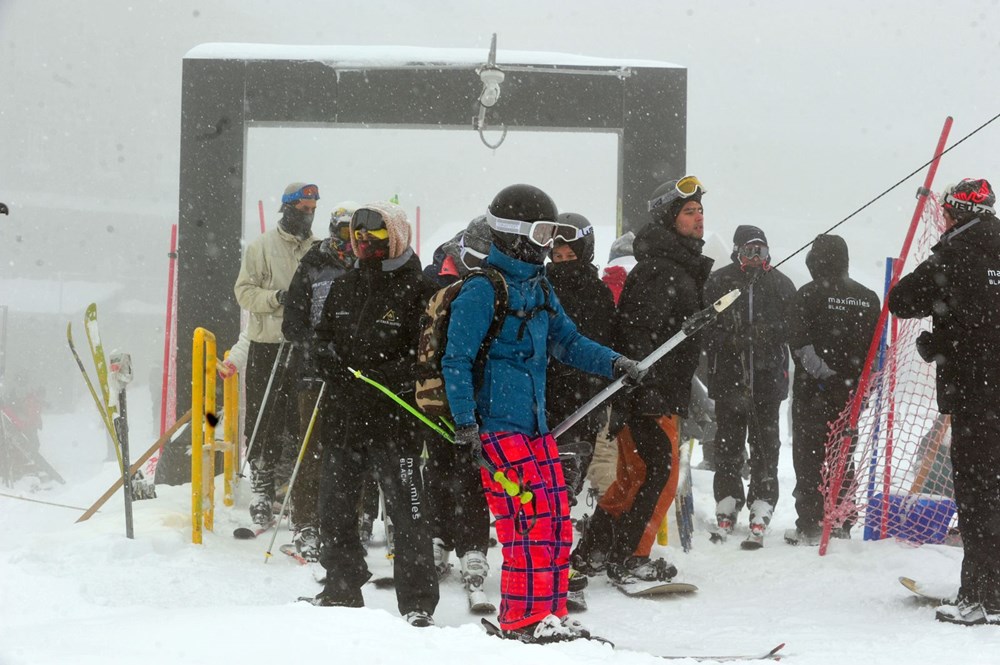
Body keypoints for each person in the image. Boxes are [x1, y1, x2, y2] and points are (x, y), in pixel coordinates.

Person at [442, 184, 642, 643]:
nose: (549, 242)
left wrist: (613, 362)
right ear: (514, 233)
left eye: (553, 232)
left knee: (554, 520)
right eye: (542, 232)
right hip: (496, 428)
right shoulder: (481, 290)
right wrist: (466, 424)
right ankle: (520, 618)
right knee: (525, 522)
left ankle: (549, 614)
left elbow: (568, 342)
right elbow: (456, 359)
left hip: (536, 427)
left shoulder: (540, 287)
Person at [572, 175, 713, 582]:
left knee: (634, 476)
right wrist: (648, 392)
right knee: (659, 476)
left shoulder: (673, 265)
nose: (699, 217)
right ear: (670, 219)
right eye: (689, 211)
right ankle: (631, 556)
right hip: (652, 394)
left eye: (701, 210)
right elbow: (639, 334)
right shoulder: (664, 271)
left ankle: (595, 550)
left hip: (652, 391)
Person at [311, 201, 439, 627]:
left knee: (408, 511)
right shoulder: (346, 286)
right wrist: (324, 354)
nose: (364, 244)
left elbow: (428, 354)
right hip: (344, 417)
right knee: (336, 507)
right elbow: (323, 334)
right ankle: (341, 586)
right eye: (358, 237)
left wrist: (388, 373)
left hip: (394, 421)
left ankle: (418, 601)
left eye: (375, 236)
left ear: (396, 236)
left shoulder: (419, 289)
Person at [888, 178, 1000, 625]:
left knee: (978, 496)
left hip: (976, 395)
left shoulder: (953, 256)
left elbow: (901, 300)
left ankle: (983, 597)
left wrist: (942, 341)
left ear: (954, 215)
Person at [420, 215, 496, 608]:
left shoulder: (487, 284)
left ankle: (473, 544)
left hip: (476, 389)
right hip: (437, 392)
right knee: (437, 465)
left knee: (471, 469)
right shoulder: (436, 278)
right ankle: (438, 536)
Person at [703, 225, 795, 546]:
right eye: (749, 251)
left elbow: (794, 328)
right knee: (728, 443)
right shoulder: (720, 281)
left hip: (768, 383)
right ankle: (728, 499)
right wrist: (731, 337)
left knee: (766, 445)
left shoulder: (781, 284)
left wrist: (768, 333)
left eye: (762, 251)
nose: (756, 257)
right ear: (738, 252)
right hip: (729, 381)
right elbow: (705, 328)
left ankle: (762, 499)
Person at [233, 182, 319, 525]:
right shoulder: (261, 247)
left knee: (298, 417)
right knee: (263, 415)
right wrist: (276, 298)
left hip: (303, 345)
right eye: (302, 209)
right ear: (287, 208)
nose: (308, 215)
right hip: (268, 342)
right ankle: (262, 485)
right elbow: (243, 292)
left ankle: (291, 483)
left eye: (313, 209)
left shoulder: (317, 248)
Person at [786, 234, 879, 546]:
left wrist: (827, 377)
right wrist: (858, 385)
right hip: (852, 395)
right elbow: (877, 350)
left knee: (809, 458)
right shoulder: (868, 297)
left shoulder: (808, 294)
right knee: (843, 455)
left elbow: (799, 345)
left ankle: (811, 523)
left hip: (814, 392)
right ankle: (840, 519)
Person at [277, 201, 357, 561]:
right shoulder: (314, 263)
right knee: (311, 450)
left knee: (351, 451)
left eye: (357, 234)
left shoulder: (367, 264)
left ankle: (347, 521)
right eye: (344, 233)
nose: (351, 241)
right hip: (315, 372)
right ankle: (306, 523)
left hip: (354, 375)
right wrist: (318, 344)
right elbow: (291, 322)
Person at [544, 212, 616, 505]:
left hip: (583, 397)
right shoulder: (541, 287)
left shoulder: (596, 293)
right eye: (557, 256)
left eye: (570, 255)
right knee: (543, 480)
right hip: (543, 394)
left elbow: (602, 341)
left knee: (569, 477)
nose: (563, 262)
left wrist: (599, 391)